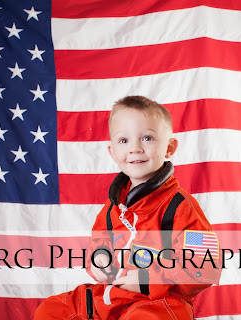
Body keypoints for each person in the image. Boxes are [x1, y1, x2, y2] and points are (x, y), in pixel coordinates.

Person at [34, 96, 221, 319]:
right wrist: (99, 259)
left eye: (148, 138)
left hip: (157, 303)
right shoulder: (114, 207)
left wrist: (147, 279)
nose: (135, 148)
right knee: (53, 309)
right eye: (124, 141)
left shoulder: (181, 207)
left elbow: (205, 267)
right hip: (111, 295)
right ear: (112, 151)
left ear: (169, 148)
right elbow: (100, 241)